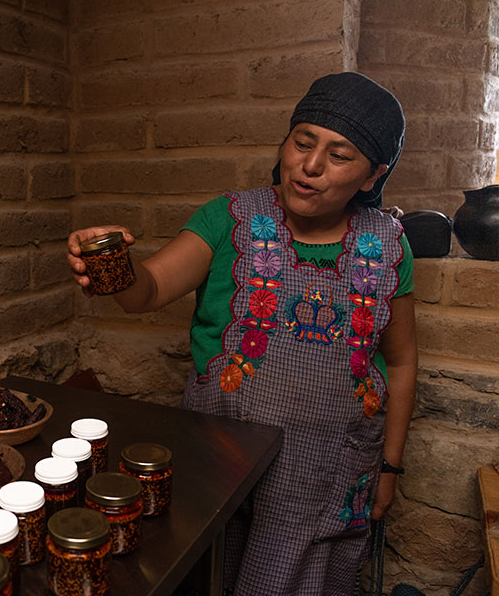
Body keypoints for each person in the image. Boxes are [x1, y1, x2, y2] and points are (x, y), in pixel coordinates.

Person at [67, 72, 417, 595]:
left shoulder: (388, 246)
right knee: (208, 572)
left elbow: (403, 362)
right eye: (303, 142)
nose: (312, 165)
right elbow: (148, 289)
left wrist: (390, 466)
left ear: (372, 176)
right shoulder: (228, 218)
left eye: (339, 155)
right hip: (219, 466)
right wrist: (111, 263)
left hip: (322, 480)